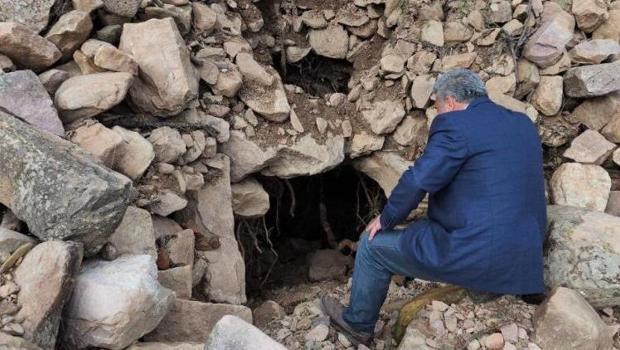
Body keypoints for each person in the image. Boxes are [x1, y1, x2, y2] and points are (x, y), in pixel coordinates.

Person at [321, 69, 547, 346]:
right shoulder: (521, 123)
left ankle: (357, 324)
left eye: (437, 106)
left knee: (372, 246)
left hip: (478, 252)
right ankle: (507, 286)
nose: (437, 113)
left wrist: (387, 217)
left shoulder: (456, 125)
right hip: (526, 258)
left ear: (450, 102)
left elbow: (420, 179)